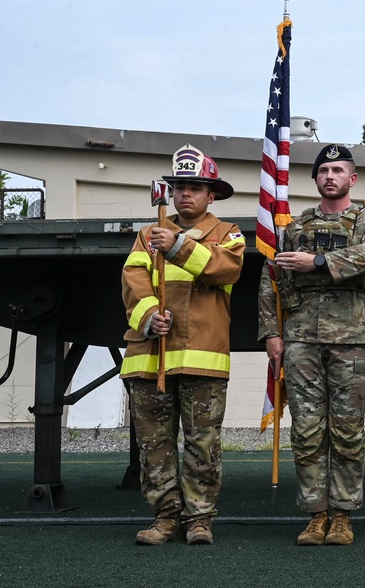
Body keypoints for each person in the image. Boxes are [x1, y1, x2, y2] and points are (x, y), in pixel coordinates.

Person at [258, 144, 365, 546]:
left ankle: (343, 516)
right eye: (323, 170)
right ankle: (316, 515)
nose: (330, 176)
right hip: (300, 340)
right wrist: (272, 333)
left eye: (338, 170)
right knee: (306, 430)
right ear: (315, 179)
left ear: (352, 179)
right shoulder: (293, 227)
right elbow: (269, 283)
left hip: (350, 340)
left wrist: (316, 263)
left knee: (347, 431)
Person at [120, 145, 245, 546]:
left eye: (195, 187)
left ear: (213, 195)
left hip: (203, 360)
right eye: (178, 187)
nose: (185, 194)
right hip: (149, 356)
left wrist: (174, 244)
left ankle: (199, 521)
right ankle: (165, 519)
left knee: (201, 445)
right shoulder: (145, 236)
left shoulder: (229, 234)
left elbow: (224, 270)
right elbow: (133, 283)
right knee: (154, 445)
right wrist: (147, 315)